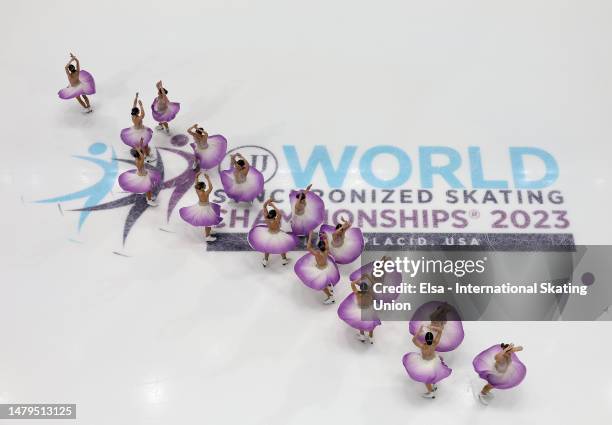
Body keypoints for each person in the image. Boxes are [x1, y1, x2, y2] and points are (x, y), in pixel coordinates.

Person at [402, 325, 452, 399]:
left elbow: (414, 340)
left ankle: (431, 392)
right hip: (434, 361)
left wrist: (419, 332)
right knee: (433, 374)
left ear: (425, 339)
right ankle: (433, 387)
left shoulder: (423, 346)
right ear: (432, 339)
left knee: (427, 379)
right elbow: (440, 331)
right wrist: (434, 327)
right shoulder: (434, 344)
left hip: (426, 363)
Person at [247, 198, 297, 267]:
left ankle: (265, 260)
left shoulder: (266, 218)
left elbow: (264, 207)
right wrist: (272, 205)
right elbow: (279, 213)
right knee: (281, 247)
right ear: (275, 215)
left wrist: (267, 202)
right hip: (277, 235)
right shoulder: (277, 220)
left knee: (267, 247)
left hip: (269, 234)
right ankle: (284, 259)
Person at [294, 231, 340, 304]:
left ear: (318, 247)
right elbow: (327, 242)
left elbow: (308, 247)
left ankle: (330, 297)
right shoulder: (327, 250)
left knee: (322, 286)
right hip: (328, 267)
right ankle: (329, 285)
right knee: (327, 278)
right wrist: (325, 237)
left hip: (320, 270)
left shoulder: (317, 254)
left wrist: (310, 235)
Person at [179, 172, 222, 242]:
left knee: (209, 221)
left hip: (201, 206)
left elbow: (197, 184)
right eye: (204, 186)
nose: (205, 186)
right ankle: (207, 236)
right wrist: (208, 179)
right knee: (208, 222)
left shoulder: (198, 190)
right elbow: (211, 187)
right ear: (202, 188)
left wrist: (196, 177)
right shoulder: (205, 193)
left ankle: (209, 231)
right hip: (205, 209)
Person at [337, 274, 381, 344]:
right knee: (371, 325)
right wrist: (367, 277)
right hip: (369, 311)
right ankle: (371, 337)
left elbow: (352, 283)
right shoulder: (370, 293)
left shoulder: (357, 294)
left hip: (360, 311)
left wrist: (360, 278)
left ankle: (362, 336)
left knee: (360, 324)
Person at [117, 139, 160, 206]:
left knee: (148, 189)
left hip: (144, 173)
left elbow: (140, 150)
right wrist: (139, 151)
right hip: (143, 176)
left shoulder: (137, 158)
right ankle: (149, 200)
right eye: (141, 152)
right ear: (139, 155)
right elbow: (142, 158)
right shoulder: (139, 161)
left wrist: (140, 143)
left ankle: (149, 197)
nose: (142, 153)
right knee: (148, 189)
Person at [120, 92, 153, 160]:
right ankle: (145, 156)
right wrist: (141, 105)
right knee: (143, 145)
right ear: (137, 112)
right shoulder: (138, 118)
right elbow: (143, 114)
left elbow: (134, 105)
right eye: (138, 111)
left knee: (143, 144)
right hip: (140, 132)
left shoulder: (133, 115)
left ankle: (146, 154)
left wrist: (136, 97)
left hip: (135, 130)